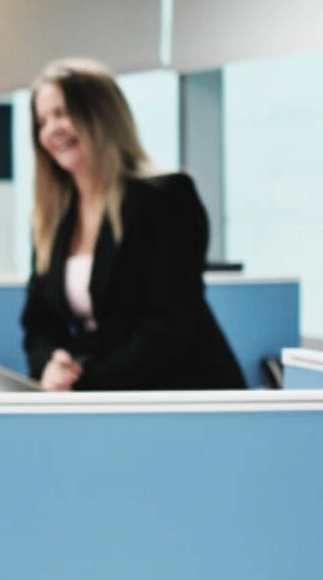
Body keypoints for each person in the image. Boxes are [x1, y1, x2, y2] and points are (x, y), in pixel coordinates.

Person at [19, 58, 244, 392]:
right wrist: (51, 364)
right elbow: (38, 321)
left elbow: (168, 325)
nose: (52, 130)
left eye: (63, 113)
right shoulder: (53, 216)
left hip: (179, 393)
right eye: (42, 121)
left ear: (103, 116)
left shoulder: (165, 198)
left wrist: (87, 387)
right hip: (102, 395)